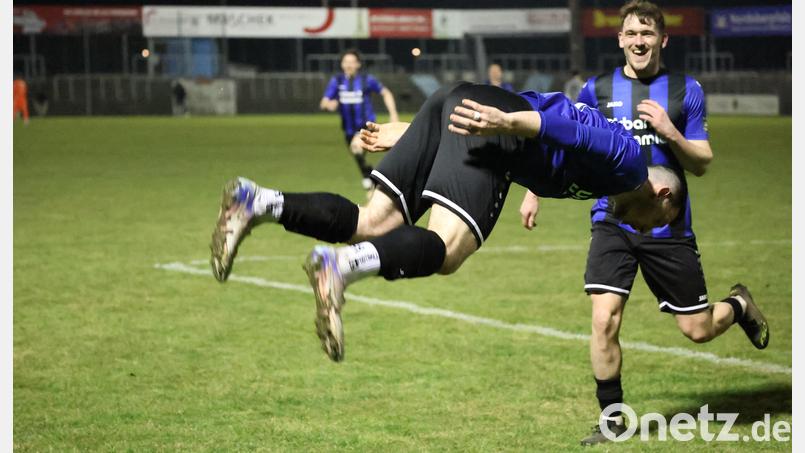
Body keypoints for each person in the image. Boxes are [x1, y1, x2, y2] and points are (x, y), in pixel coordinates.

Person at [210, 81, 686, 364]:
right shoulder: (629, 164)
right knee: (449, 248)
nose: (646, 230)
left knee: (372, 220)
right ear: (662, 194)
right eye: (658, 222)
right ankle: (341, 268)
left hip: (457, 104)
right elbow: (561, 127)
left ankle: (257, 201)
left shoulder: (606, 179)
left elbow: (560, 138)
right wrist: (506, 125)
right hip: (491, 125)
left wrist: (421, 129)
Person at [523, 1, 770, 445]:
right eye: (632, 34)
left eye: (648, 34)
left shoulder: (685, 90)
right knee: (604, 320)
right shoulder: (596, 90)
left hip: (666, 225)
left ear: (662, 40)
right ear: (619, 39)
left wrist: (671, 133)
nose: (639, 41)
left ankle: (738, 305)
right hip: (611, 218)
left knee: (697, 329)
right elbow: (562, 139)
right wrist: (533, 189)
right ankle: (612, 418)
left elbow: (703, 163)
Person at [320, 49, 399, 193]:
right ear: (342, 64)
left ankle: (371, 179)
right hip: (348, 129)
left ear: (358, 64)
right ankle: (371, 176)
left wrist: (393, 114)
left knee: (356, 148)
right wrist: (329, 105)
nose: (348, 65)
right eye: (346, 62)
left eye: (352, 62)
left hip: (365, 126)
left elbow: (386, 92)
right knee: (356, 152)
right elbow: (324, 102)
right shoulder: (337, 81)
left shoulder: (367, 80)